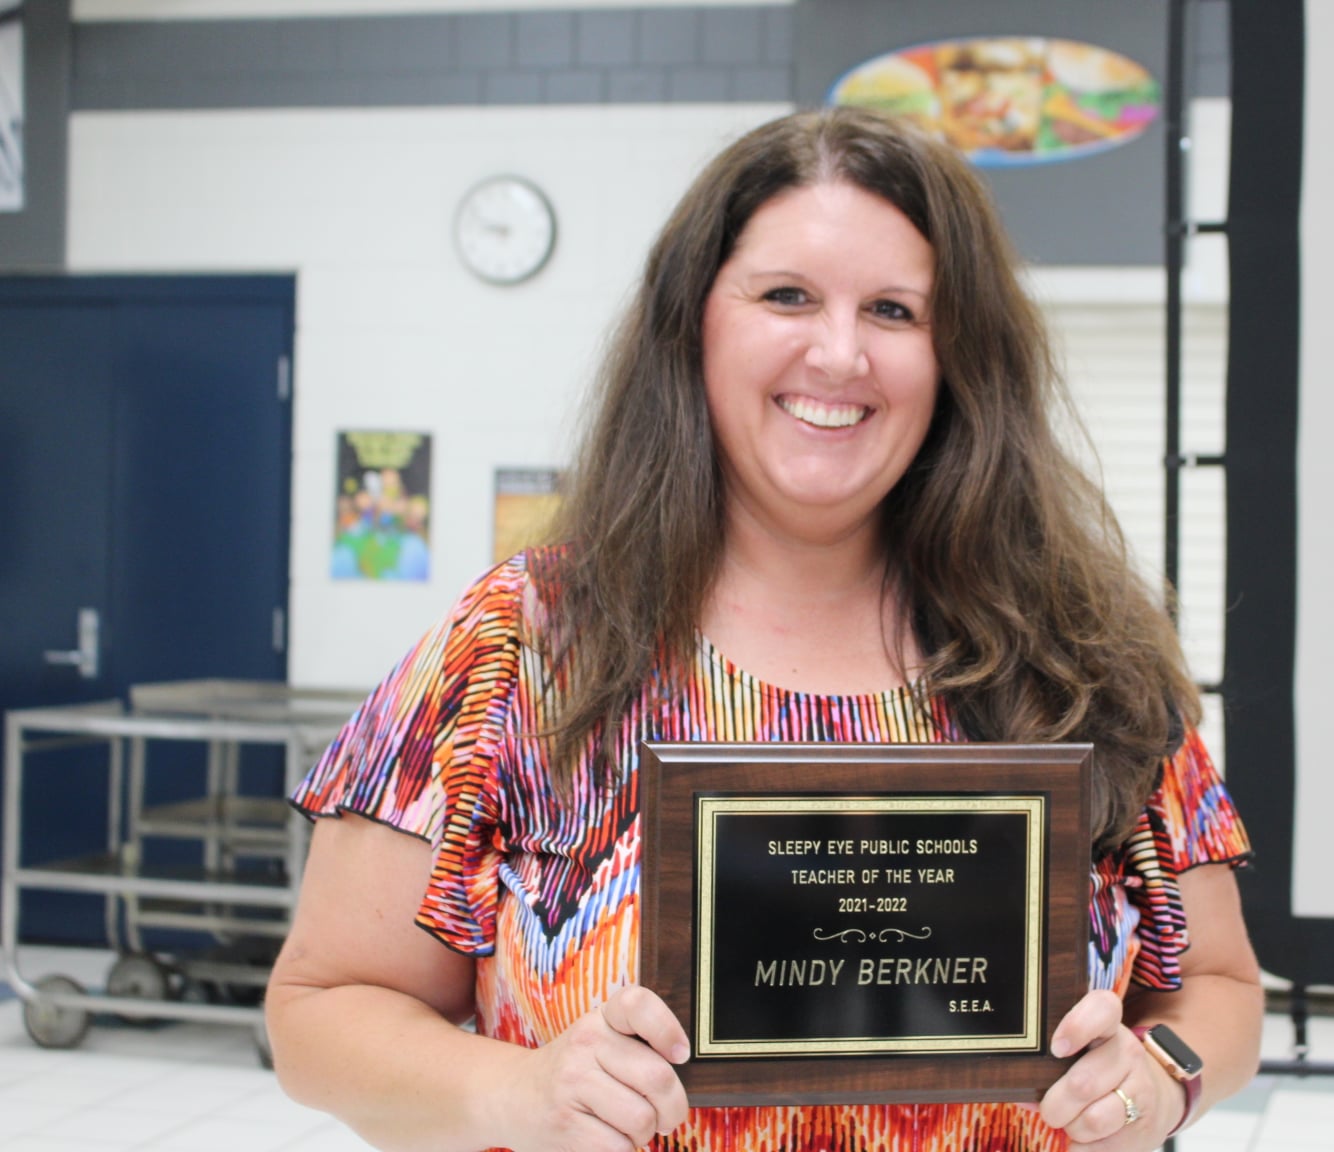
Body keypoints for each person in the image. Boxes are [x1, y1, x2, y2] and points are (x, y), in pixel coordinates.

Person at [265, 107, 1261, 1152]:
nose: (839, 353)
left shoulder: (1082, 659)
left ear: (961, 355)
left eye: (894, 310)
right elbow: (322, 1011)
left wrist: (1159, 1082)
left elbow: (1222, 991)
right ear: (694, 320)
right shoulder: (521, 646)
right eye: (787, 295)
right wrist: (516, 1095)